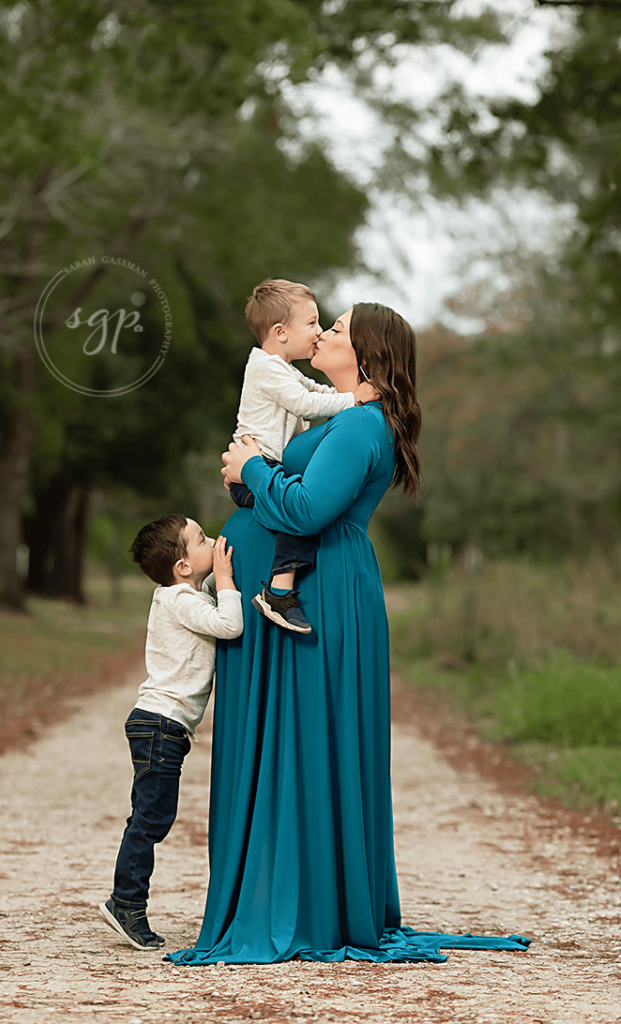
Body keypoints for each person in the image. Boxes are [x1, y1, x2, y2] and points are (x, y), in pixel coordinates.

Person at [166, 303, 530, 965]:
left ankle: (298, 906)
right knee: (282, 739)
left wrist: (249, 469)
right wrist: (251, 481)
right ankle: (283, 892)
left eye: (334, 328)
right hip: (299, 589)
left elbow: (308, 509)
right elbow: (294, 496)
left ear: (365, 352)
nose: (323, 333)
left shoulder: (363, 424)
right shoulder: (341, 415)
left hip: (318, 594)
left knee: (304, 738)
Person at [99, 515, 243, 950]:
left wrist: (215, 581)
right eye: (202, 539)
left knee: (148, 815)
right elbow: (230, 625)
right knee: (151, 819)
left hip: (158, 725)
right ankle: (125, 902)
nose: (214, 540)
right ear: (183, 566)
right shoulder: (181, 600)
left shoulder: (183, 595)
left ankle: (126, 899)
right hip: (161, 725)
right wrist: (226, 580)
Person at [230, 279, 377, 634]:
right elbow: (305, 403)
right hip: (258, 465)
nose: (319, 331)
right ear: (281, 331)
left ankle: (279, 588)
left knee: (295, 504)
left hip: (261, 467)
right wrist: (352, 399)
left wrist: (349, 396)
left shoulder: (282, 369)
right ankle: (279, 590)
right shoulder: (266, 368)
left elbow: (313, 389)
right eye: (311, 323)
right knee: (293, 510)